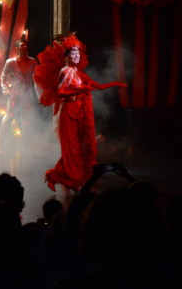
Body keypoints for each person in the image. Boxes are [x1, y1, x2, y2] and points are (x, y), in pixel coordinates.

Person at [35, 34, 127, 192]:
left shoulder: (79, 72)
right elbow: (61, 93)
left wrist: (115, 84)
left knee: (77, 150)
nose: (77, 56)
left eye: (78, 53)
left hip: (79, 113)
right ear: (67, 56)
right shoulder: (65, 71)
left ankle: (60, 178)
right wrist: (79, 89)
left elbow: (98, 86)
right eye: (73, 53)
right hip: (68, 113)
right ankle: (64, 179)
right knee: (71, 152)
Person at [0, 38, 38, 154]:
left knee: (27, 119)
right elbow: (3, 76)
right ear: (17, 47)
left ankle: (26, 145)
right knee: (9, 116)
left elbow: (37, 79)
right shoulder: (11, 62)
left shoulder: (33, 62)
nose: (25, 47)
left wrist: (40, 95)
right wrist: (6, 89)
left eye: (26, 45)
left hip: (27, 93)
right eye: (22, 45)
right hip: (15, 92)